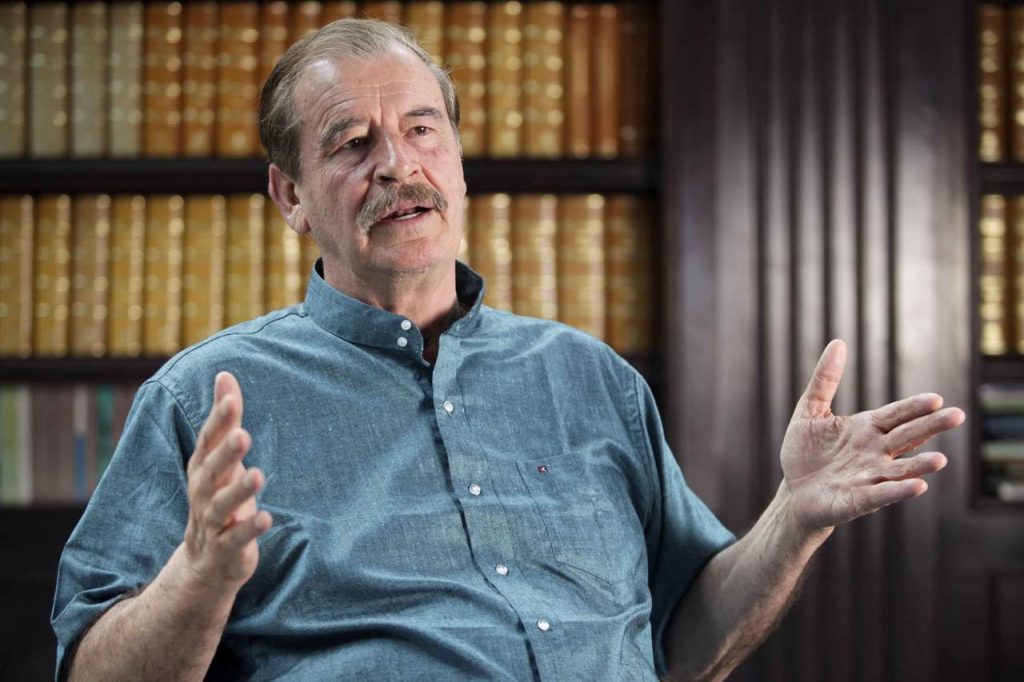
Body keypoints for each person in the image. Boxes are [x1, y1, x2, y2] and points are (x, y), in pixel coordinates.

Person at [52, 19, 964, 681]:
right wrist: (200, 579)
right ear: (291, 197)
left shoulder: (591, 378)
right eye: (352, 143)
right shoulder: (206, 401)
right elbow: (91, 667)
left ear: (456, 158)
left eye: (422, 129)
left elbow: (686, 647)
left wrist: (793, 519)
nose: (398, 165)